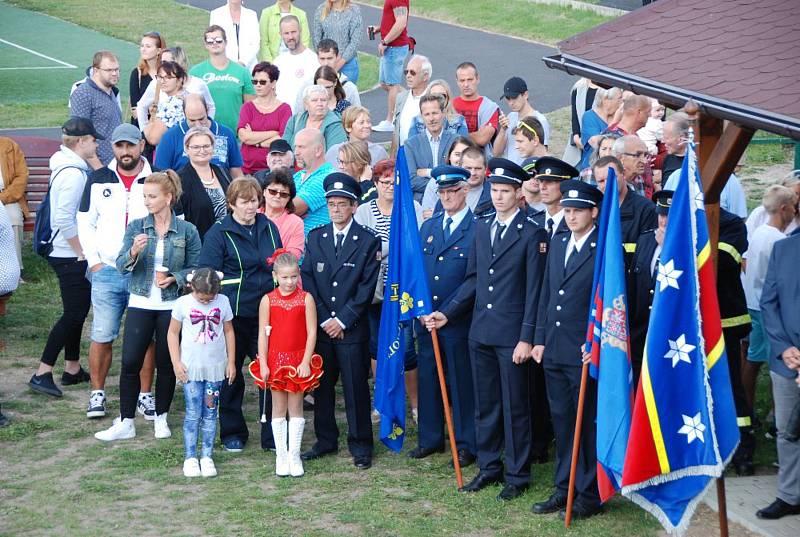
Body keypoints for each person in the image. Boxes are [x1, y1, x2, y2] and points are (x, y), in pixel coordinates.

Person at [426, 158, 548, 501]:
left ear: (518, 193)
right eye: (494, 190)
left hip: (512, 335)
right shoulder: (482, 226)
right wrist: (448, 313)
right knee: (486, 404)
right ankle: (490, 465)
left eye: (505, 191)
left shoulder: (531, 232)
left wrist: (527, 337)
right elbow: (475, 278)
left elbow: (534, 289)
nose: (498, 197)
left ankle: (517, 474)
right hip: (480, 330)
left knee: (515, 406)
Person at [94, 170, 201, 442]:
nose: (147, 201)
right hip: (140, 301)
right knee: (130, 361)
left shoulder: (187, 230)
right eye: (145, 196)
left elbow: (197, 268)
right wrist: (133, 252)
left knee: (166, 363)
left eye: (152, 196)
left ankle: (161, 418)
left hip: (171, 305)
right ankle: (126, 421)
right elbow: (119, 265)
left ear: (169, 197)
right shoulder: (137, 227)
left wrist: (175, 279)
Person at [531, 179, 604, 520]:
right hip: (556, 349)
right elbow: (547, 294)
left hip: (583, 350)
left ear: (593, 212)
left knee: (584, 422)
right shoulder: (558, 242)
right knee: (561, 420)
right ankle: (565, 486)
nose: (571, 217)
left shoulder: (603, 249)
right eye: (567, 211)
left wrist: (598, 344)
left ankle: (588, 492)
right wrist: (541, 339)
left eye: (577, 211)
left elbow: (611, 304)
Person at [300, 172, 381, 469]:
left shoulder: (367, 241)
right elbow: (307, 278)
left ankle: (361, 445)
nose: (335, 209)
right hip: (322, 328)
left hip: (351, 329)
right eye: (331, 204)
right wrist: (323, 318)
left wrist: (342, 320)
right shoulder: (316, 236)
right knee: (321, 387)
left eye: (341, 204)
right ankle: (325, 439)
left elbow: (366, 287)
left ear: (353, 206)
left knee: (355, 388)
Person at [77, 124, 159, 419]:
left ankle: (145, 395)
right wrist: (94, 262)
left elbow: (171, 219)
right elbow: (85, 221)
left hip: (144, 271)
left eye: (131, 145)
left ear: (141, 146)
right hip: (108, 270)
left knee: (145, 337)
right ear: (112, 148)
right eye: (119, 146)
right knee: (103, 333)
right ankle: (97, 393)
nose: (125, 152)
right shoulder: (98, 178)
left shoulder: (157, 178)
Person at [199, 177, 283, 452]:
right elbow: (208, 275)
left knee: (268, 374)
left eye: (255, 201)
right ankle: (233, 432)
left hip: (267, 314)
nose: (251, 207)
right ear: (232, 203)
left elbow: (279, 262)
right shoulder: (218, 233)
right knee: (231, 375)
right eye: (245, 202)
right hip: (233, 317)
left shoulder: (269, 227)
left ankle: (272, 433)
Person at [28, 119, 97, 399]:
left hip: (64, 252)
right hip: (68, 254)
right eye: (93, 140)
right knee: (74, 313)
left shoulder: (68, 166)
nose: (96, 144)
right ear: (81, 142)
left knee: (77, 310)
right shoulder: (73, 174)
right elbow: (64, 219)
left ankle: (72, 368)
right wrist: (82, 251)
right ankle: (42, 372)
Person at [412, 165, 476, 467]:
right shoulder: (430, 226)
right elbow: (420, 274)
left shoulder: (477, 228)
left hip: (457, 319)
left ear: (465, 191)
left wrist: (447, 313)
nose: (448, 197)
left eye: (453, 191)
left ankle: (465, 443)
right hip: (427, 320)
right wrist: (423, 311)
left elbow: (473, 279)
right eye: (443, 192)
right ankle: (430, 437)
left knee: (462, 383)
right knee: (428, 377)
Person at [354, 159, 422, 423]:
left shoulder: (412, 208)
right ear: (375, 184)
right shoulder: (364, 212)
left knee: (406, 347)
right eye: (384, 182)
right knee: (377, 346)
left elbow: (412, 246)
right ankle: (381, 401)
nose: (390, 187)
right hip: (375, 291)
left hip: (404, 291)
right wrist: (387, 251)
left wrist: (384, 252)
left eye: (394, 182)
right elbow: (364, 250)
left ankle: (415, 404)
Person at [256, 251, 322, 477]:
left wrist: (305, 361)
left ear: (299, 275)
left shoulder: (306, 299)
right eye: (284, 277)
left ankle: (294, 455)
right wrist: (263, 363)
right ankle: (281, 455)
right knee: (278, 408)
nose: (289, 282)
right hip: (276, 360)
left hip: (297, 360)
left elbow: (312, 332)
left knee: (296, 408)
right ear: (275, 276)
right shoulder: (268, 300)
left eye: (293, 277)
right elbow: (263, 334)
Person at [168, 268, 235, 478]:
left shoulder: (223, 302)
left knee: (211, 413)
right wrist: (176, 362)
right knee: (193, 413)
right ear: (191, 288)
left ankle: (206, 456)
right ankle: (190, 457)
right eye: (201, 297)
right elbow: (172, 332)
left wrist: (231, 362)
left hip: (215, 369)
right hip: (191, 369)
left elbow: (229, 331)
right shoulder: (183, 304)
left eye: (210, 298)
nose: (206, 302)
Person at [742, 186, 797, 411]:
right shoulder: (778, 240)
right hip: (765, 307)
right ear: (783, 209)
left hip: (753, 301)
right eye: (794, 207)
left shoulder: (759, 233)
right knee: (767, 362)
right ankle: (770, 413)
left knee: (753, 357)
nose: (795, 211)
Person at [758, 229, 800, 520]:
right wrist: (784, 348)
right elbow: (768, 303)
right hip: (788, 360)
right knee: (788, 430)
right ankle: (790, 495)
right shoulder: (783, 249)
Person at [155, 95, 243, 177]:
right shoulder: (170, 137)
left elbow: (235, 171)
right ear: (184, 114)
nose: (198, 125)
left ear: (207, 110)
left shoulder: (226, 134)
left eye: (201, 119)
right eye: (192, 120)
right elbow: (161, 174)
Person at [190, 25, 255, 134]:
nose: (215, 43)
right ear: (205, 45)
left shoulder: (242, 72)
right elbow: (189, 105)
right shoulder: (195, 72)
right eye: (210, 41)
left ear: (226, 42)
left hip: (236, 135)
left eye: (219, 40)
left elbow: (251, 107)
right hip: (205, 135)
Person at [592, 154, 656, 265]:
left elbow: (647, 255)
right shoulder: (595, 210)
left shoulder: (646, 209)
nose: (607, 184)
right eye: (601, 181)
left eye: (612, 178)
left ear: (623, 174)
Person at [136, 47, 217, 127]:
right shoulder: (157, 83)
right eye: (163, 62)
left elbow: (210, 106)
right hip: (163, 135)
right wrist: (144, 131)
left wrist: (207, 127)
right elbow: (141, 106)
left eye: (170, 62)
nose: (165, 65)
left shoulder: (198, 84)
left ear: (180, 62)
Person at [178, 126, 234, 241]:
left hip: (228, 242)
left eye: (206, 146)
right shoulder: (179, 179)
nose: (202, 151)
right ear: (187, 149)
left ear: (213, 147)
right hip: (198, 245)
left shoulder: (222, 172)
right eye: (196, 147)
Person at [237, 61, 293, 175]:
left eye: (262, 82)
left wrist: (255, 141)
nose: (257, 85)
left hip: (275, 170)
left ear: (273, 83)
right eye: (255, 81)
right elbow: (244, 136)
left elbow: (282, 140)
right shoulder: (247, 107)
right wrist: (273, 133)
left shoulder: (284, 109)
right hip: (248, 169)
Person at [69, 51, 123, 167]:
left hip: (114, 165)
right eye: (109, 70)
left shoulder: (110, 91)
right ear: (96, 70)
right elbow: (80, 136)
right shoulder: (83, 94)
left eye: (117, 69)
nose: (115, 73)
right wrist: (99, 170)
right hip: (95, 170)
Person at [405, 94, 457, 203]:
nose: (431, 119)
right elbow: (411, 180)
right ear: (422, 117)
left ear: (443, 113)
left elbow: (459, 176)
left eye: (435, 113)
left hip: (453, 200)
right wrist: (444, 184)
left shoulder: (456, 141)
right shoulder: (411, 145)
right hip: (421, 203)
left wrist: (429, 172)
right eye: (427, 114)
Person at [372, 0, 411, 132]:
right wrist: (380, 28)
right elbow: (394, 20)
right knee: (385, 84)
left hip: (395, 47)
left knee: (392, 84)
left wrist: (385, 41)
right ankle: (413, 99)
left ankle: (391, 120)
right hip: (391, 47)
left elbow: (401, 22)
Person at [494, 76, 551, 164]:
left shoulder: (539, 120)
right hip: (511, 171)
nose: (511, 103)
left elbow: (543, 152)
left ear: (525, 95)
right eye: (508, 99)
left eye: (514, 98)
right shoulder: (510, 117)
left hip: (528, 171)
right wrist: (503, 130)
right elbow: (496, 153)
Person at [291, 128, 337, 235]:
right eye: (295, 147)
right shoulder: (298, 176)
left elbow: (292, 208)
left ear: (318, 150)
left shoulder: (327, 177)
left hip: (314, 247)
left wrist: (285, 210)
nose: (295, 153)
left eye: (301, 147)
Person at [273, 16, 320, 114]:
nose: (290, 37)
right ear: (280, 34)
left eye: (293, 32)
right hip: (281, 120)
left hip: (304, 119)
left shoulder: (314, 60)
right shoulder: (278, 62)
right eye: (286, 33)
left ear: (300, 31)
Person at [419, 136, 478, 214]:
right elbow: (426, 214)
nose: (460, 159)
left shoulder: (475, 180)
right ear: (449, 156)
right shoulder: (435, 181)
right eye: (457, 154)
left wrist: (438, 213)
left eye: (465, 155)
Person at [452, 62, 500, 157]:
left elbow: (482, 139)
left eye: (470, 79)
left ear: (477, 79)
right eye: (462, 80)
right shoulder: (450, 106)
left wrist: (455, 134)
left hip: (480, 162)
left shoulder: (489, 107)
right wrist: (476, 134)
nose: (466, 84)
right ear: (457, 82)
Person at [139, 61, 189, 147]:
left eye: (168, 77)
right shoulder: (188, 96)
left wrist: (151, 120)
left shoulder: (171, 104)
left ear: (179, 80)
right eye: (160, 77)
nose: (162, 81)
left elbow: (153, 139)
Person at [312, 1, 364, 83]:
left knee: (346, 94)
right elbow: (316, 37)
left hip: (347, 65)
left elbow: (356, 40)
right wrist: (325, 59)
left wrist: (340, 63)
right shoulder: (321, 9)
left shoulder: (353, 10)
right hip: (326, 63)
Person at [258, 168, 305, 260]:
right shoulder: (252, 215)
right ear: (264, 192)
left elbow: (292, 258)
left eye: (283, 194)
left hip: (279, 272)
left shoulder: (295, 223)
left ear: (289, 198)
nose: (277, 196)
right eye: (273, 191)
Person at [283, 85, 347, 150]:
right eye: (314, 100)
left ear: (327, 103)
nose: (320, 104)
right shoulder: (295, 120)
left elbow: (334, 154)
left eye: (323, 100)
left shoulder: (335, 124)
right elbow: (284, 148)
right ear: (306, 104)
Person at [530, 156, 579, 238]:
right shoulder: (532, 221)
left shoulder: (575, 222)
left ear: (565, 185)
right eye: (541, 181)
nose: (543, 187)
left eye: (549, 181)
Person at [388, 54, 432, 146]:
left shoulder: (433, 99)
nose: (408, 75)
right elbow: (396, 131)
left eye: (412, 72)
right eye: (406, 72)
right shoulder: (401, 97)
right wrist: (392, 157)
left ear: (425, 76)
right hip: (402, 153)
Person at [0, 136, 29, 272]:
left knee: (14, 219)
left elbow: (21, 176)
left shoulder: (9, 145)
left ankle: (15, 270)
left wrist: (3, 197)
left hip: (7, 197)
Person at [577, 87, 623, 171]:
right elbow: (596, 142)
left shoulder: (621, 116)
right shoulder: (589, 117)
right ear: (606, 100)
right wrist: (614, 123)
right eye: (619, 98)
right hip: (593, 170)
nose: (622, 102)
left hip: (615, 168)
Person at [210, 0, 261, 72]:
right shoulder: (216, 14)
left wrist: (243, 62)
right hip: (225, 67)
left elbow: (255, 42)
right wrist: (231, 65)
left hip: (249, 67)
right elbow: (215, 41)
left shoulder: (251, 15)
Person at [129, 32, 165, 127]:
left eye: (148, 46)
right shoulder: (137, 73)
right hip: (142, 126)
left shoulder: (167, 74)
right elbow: (135, 110)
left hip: (163, 125)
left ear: (159, 50)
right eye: (142, 46)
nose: (143, 49)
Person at [563, 78, 600, 166]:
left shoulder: (608, 90)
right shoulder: (578, 87)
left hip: (597, 142)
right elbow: (575, 116)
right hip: (579, 144)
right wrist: (576, 136)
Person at [314, 38, 361, 106]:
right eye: (322, 59)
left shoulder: (350, 88)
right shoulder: (309, 85)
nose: (326, 63)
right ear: (317, 58)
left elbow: (358, 114)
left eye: (330, 58)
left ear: (338, 56)